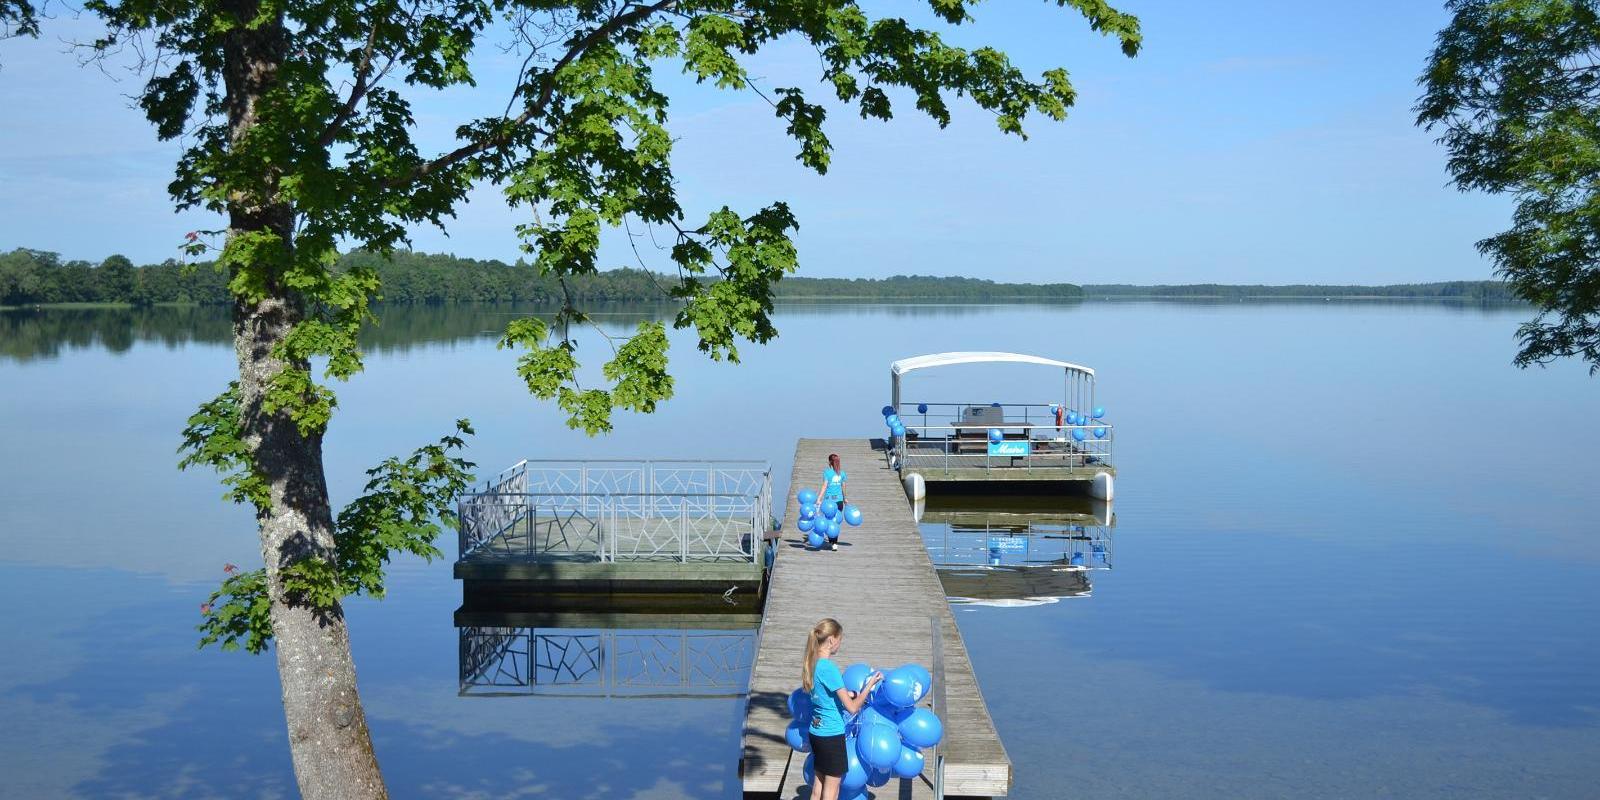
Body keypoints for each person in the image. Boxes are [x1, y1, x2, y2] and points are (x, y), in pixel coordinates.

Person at [803, 618, 881, 800]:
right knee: (832, 791)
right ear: (831, 640)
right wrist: (868, 686)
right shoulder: (829, 668)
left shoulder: (812, 663)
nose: (840, 644)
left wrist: (851, 693)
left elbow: (826, 695)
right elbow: (853, 708)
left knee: (817, 788)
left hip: (816, 732)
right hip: (831, 735)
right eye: (840, 639)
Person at [822, 453, 847, 551]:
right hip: (839, 501)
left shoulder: (827, 473)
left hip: (828, 502)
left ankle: (832, 541)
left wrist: (819, 498)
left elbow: (824, 486)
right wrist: (845, 498)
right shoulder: (842, 473)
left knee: (828, 521)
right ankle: (835, 543)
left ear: (829, 462)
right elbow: (843, 487)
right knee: (836, 522)